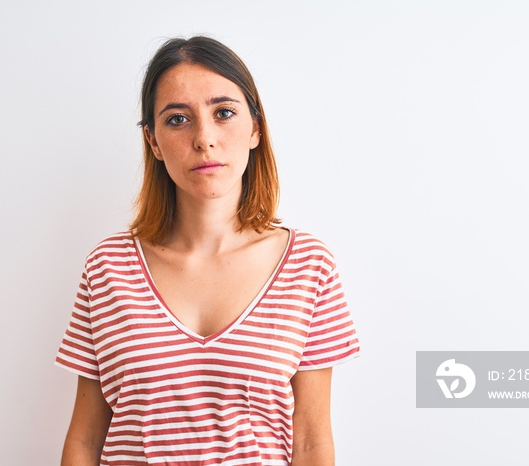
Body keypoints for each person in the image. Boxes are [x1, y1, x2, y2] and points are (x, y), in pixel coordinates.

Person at [56, 35, 360, 466]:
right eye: (178, 119)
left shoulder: (308, 266)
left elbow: (312, 442)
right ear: (153, 142)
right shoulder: (108, 267)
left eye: (224, 113)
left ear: (255, 127)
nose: (204, 139)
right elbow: (85, 441)